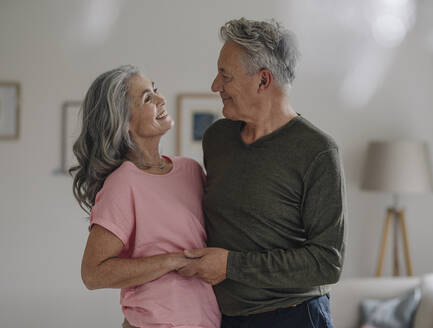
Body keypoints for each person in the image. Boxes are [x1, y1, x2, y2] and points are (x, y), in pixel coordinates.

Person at [178, 18, 346, 328]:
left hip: (296, 316)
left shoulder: (317, 151)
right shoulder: (217, 138)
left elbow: (327, 262)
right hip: (225, 318)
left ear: (263, 81)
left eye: (225, 76)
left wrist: (231, 266)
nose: (215, 86)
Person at [71, 65, 221, 328]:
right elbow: (92, 274)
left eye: (155, 90)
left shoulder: (191, 170)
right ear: (123, 122)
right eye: (147, 98)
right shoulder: (122, 183)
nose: (162, 100)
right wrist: (172, 260)